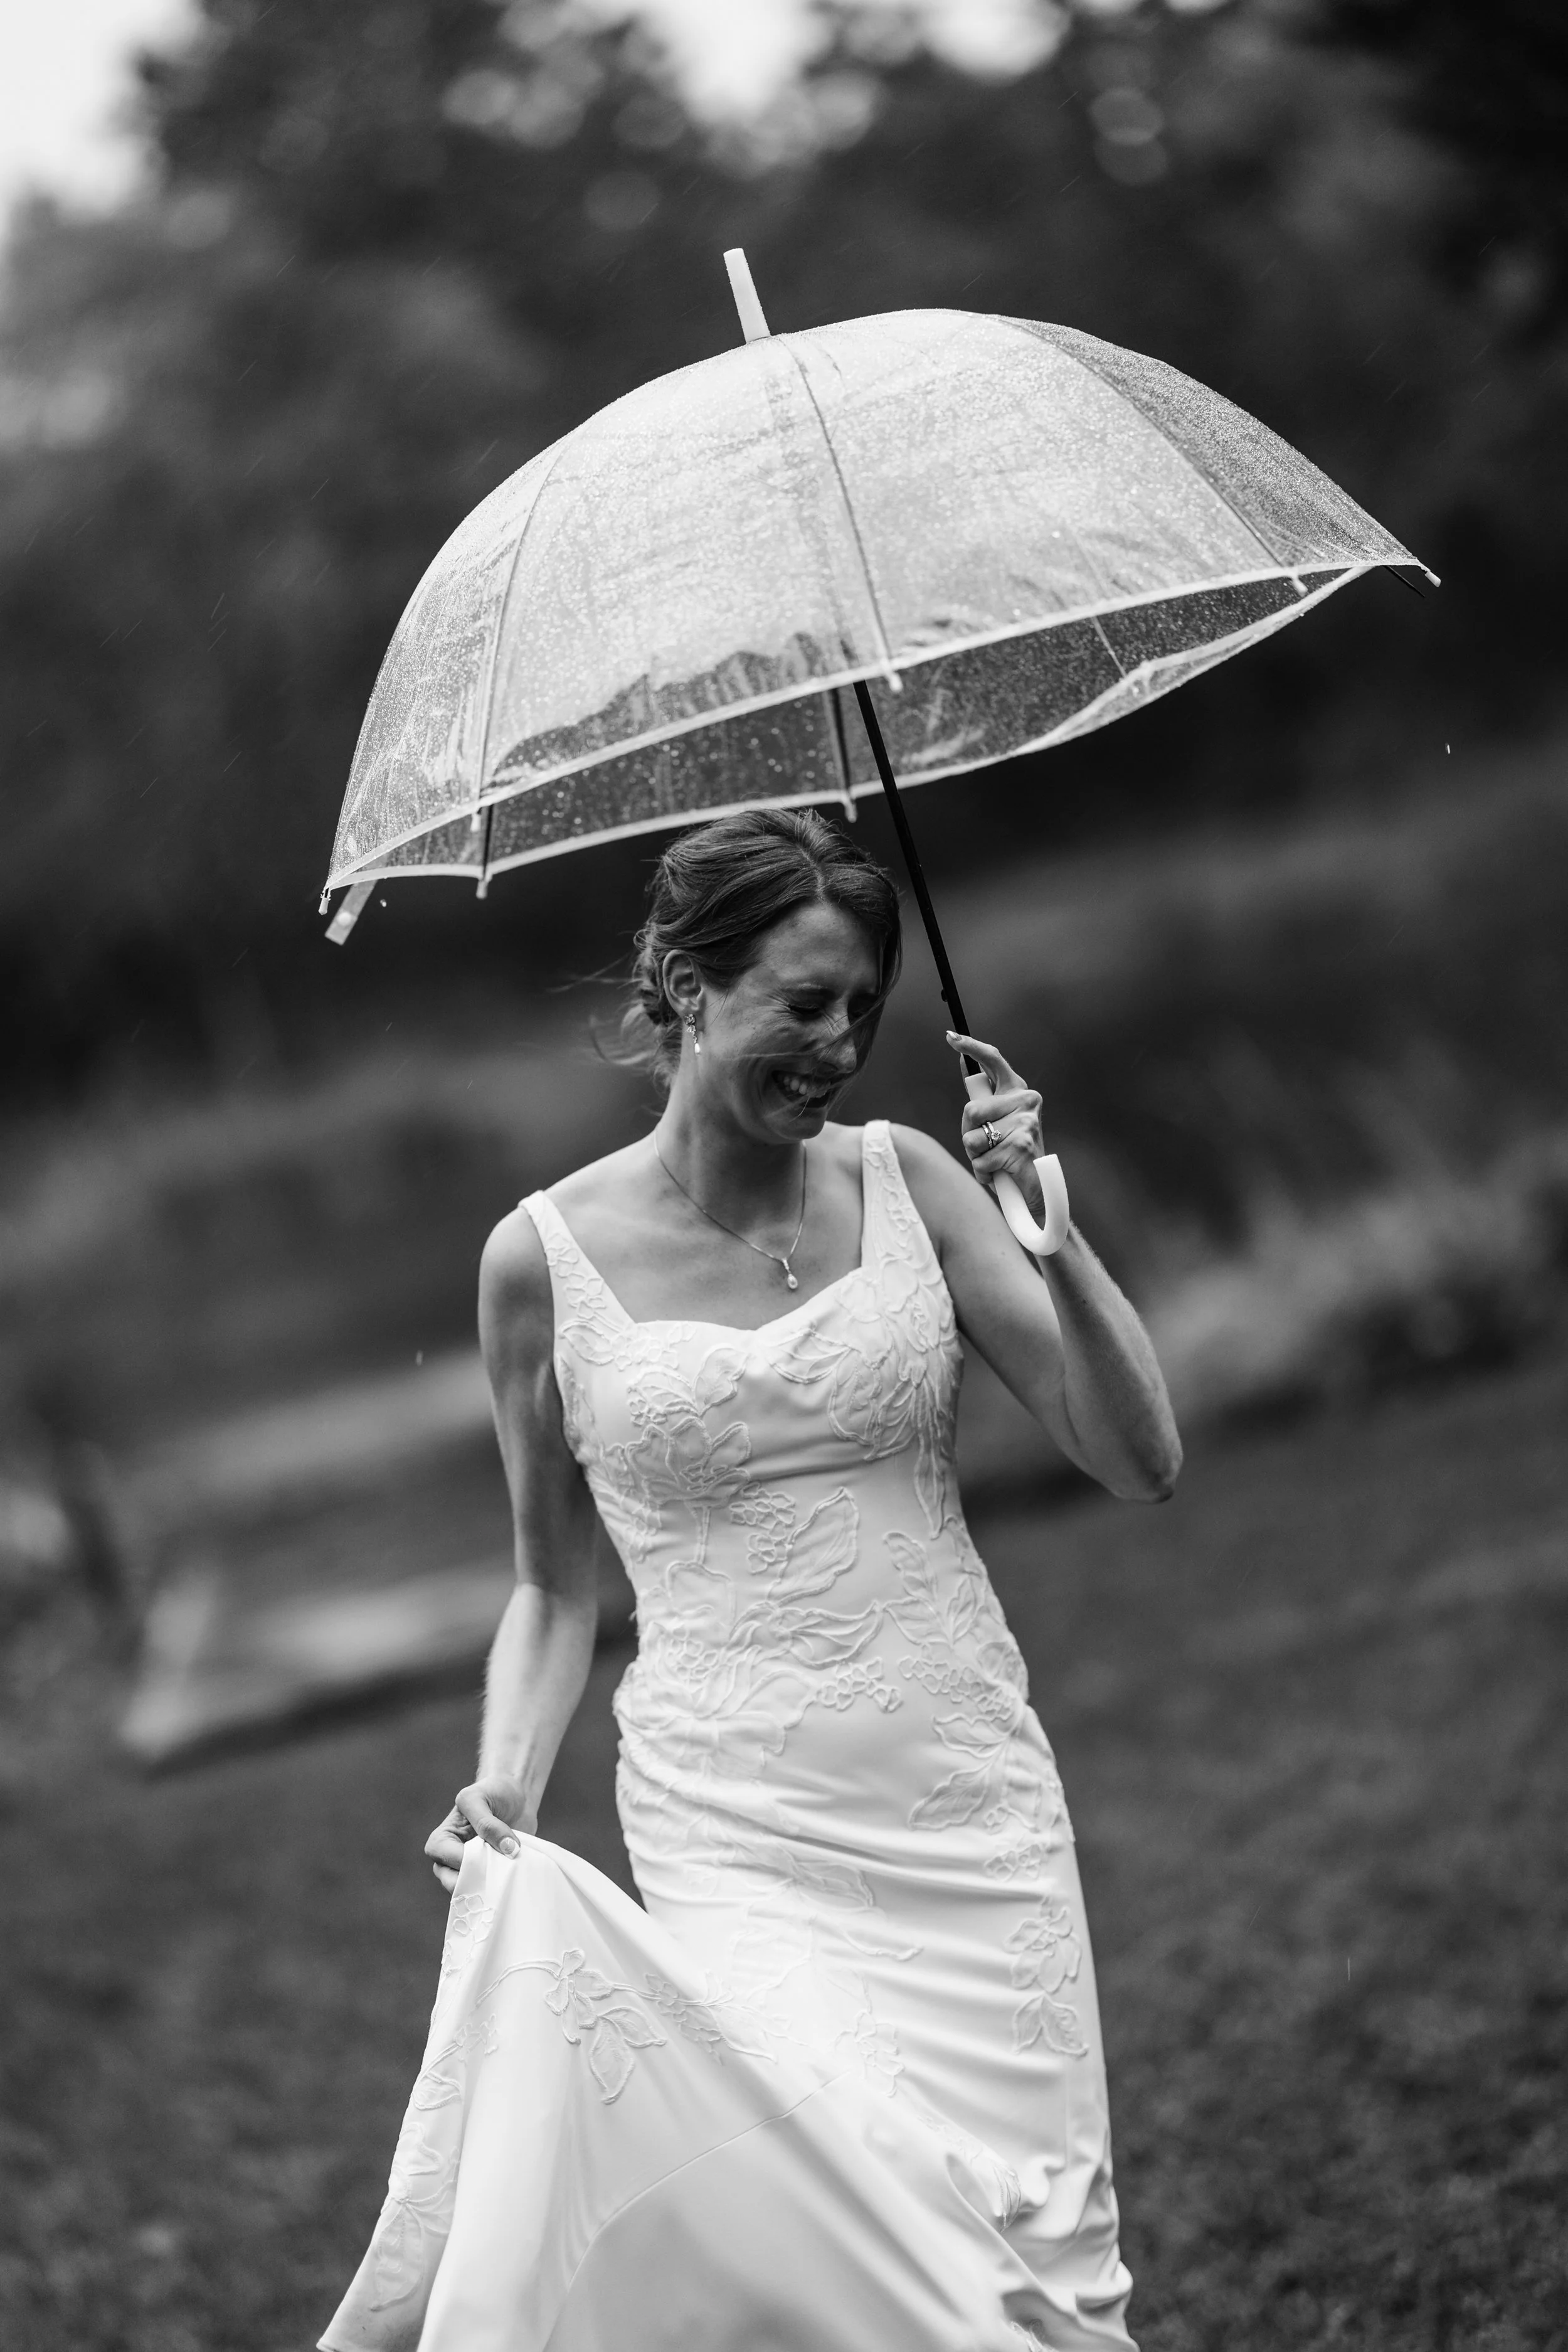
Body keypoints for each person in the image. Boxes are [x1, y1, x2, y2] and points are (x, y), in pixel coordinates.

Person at [320, 808, 1181, 2352]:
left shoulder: (910, 1181)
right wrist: (503, 1782)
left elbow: (1136, 1456)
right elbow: (548, 1583)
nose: (841, 1040)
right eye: (802, 1000)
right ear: (682, 986)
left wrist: (1044, 1218)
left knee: (1035, 2269)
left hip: (966, 1796)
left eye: (861, 1002)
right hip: (736, 1817)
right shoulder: (540, 1261)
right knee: (851, 2216)